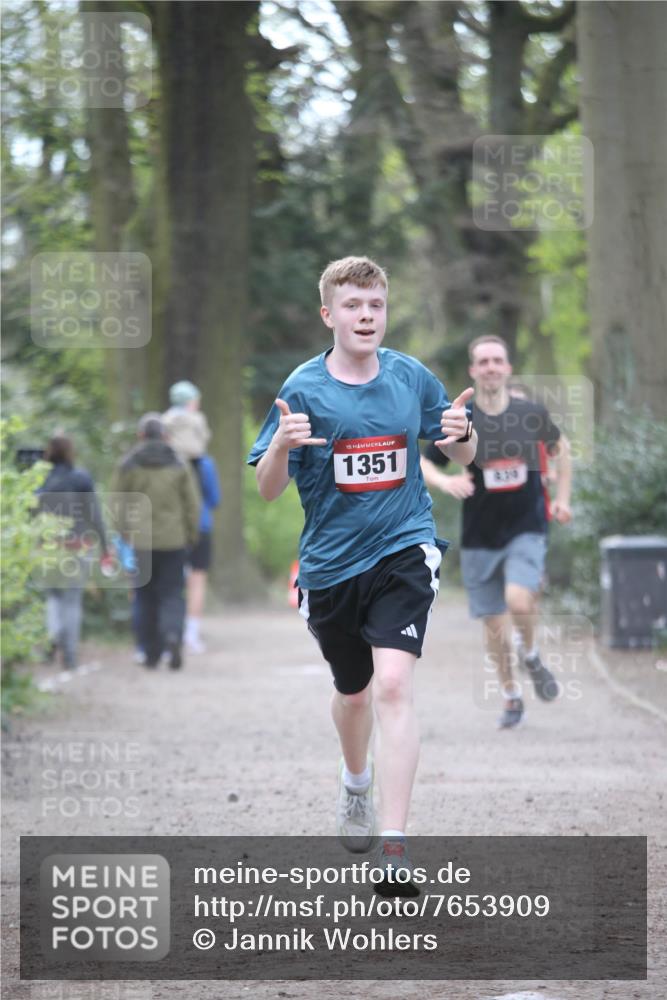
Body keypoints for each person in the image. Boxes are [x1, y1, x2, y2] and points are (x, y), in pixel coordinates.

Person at [247, 256, 477, 894]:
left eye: (375, 305)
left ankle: (396, 850)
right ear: (329, 315)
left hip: (405, 549)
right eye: (352, 306)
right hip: (330, 568)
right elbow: (268, 491)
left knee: (394, 686)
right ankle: (355, 784)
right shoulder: (302, 388)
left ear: (385, 310)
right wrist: (281, 446)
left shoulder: (410, 377)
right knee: (354, 693)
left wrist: (461, 436)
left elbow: (458, 447)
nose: (366, 316)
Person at [421, 335, 572, 729]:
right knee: (493, 623)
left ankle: (533, 653)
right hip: (480, 533)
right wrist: (445, 482)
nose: (490, 367)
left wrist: (563, 498)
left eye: (497, 360)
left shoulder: (530, 413)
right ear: (473, 370)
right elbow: (424, 462)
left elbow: (562, 449)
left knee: (519, 601)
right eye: (482, 361)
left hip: (527, 526)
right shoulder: (461, 419)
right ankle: (511, 695)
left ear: (507, 368)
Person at [112, 413, 200, 669]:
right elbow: (191, 504)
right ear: (165, 436)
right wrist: (191, 535)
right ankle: (172, 635)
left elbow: (117, 501)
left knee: (144, 597)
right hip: (174, 540)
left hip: (141, 542)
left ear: (140, 436)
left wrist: (122, 531)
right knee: (172, 593)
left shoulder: (128, 464)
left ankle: (150, 652)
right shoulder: (179, 463)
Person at [37, 434, 110, 670]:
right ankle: (69, 656)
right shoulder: (81, 479)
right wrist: (105, 547)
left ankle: (51, 641)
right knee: (71, 601)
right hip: (77, 548)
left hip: (47, 548)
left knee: (53, 599)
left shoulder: (41, 479)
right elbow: (95, 516)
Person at [184, 453, 221, 653]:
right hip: (201, 526)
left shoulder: (167, 461)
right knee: (197, 581)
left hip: (170, 530)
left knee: (169, 582)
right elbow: (214, 498)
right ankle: (191, 634)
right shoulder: (205, 463)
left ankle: (168, 631)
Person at [162, 381, 211, 460]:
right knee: (208, 464)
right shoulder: (197, 418)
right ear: (189, 402)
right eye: (196, 402)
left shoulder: (165, 418)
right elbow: (205, 436)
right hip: (195, 456)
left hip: (172, 457)